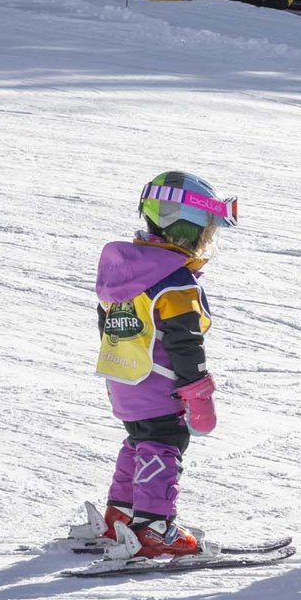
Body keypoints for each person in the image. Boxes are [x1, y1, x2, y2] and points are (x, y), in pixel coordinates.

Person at [93, 171, 236, 558]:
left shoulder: (124, 271)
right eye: (206, 229)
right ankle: (153, 527)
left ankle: (119, 517)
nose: (208, 239)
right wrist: (198, 394)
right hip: (158, 384)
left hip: (125, 380)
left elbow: (107, 326)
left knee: (139, 440)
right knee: (164, 443)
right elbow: (185, 344)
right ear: (184, 226)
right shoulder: (175, 282)